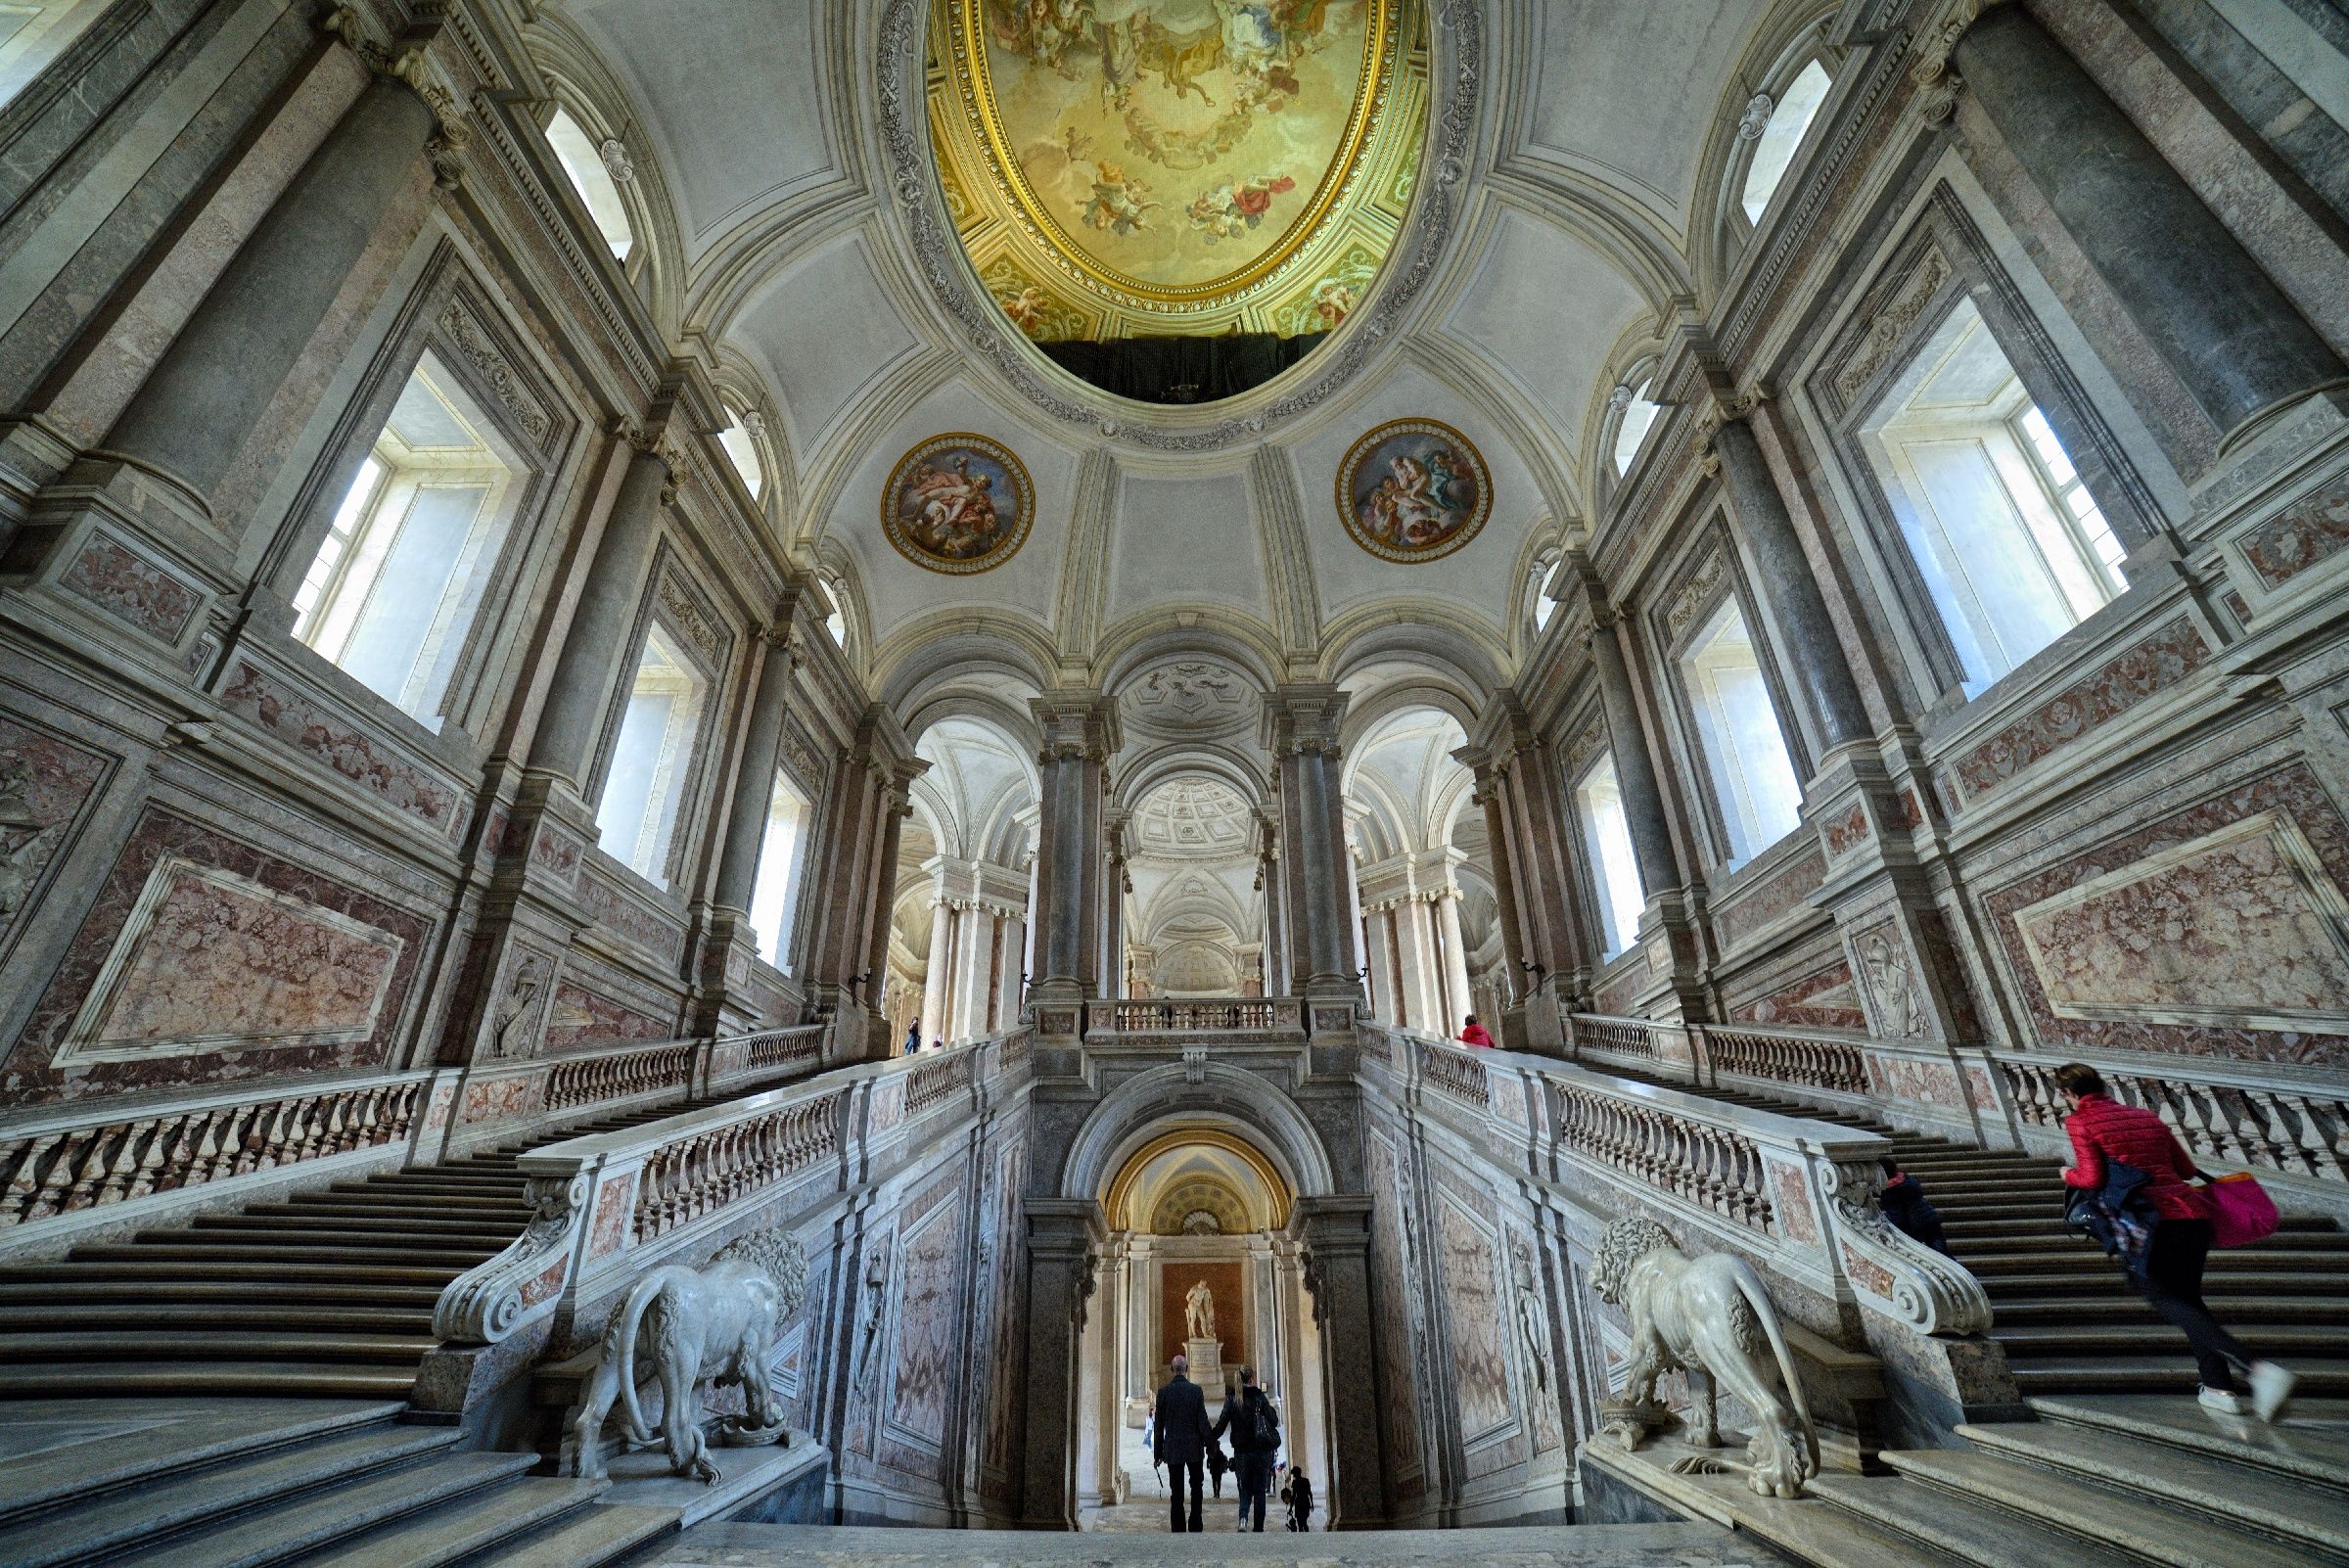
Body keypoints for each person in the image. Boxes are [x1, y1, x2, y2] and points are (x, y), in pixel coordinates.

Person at [2056, 1062, 2294, 1420]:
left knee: (2158, 1293)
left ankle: (2257, 1369)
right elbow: (2185, 1170)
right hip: (2192, 1217)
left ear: (2068, 1093)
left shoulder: (2081, 1121)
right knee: (2189, 1301)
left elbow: (2091, 1178)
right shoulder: (2145, 1116)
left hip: (2150, 1222)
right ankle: (2218, 1388)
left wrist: (2067, 1174)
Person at [1212, 1363, 1280, 1531]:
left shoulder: (1232, 1399)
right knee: (1260, 1491)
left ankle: (1243, 1519)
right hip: (1261, 1451)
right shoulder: (1258, 1396)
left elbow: (1221, 1425)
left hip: (1242, 1452)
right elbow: (1274, 1420)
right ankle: (1258, 1528)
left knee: (1244, 1488)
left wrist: (1208, 1439)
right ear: (1251, 1378)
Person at [1152, 1353, 1216, 1532]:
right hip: (1194, 1448)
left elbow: (1158, 1427)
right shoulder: (1196, 1391)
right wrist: (1211, 1446)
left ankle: (1178, 1527)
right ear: (1186, 1369)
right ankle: (1195, 1524)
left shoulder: (1163, 1393)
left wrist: (1157, 1454)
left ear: (1172, 1369)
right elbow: (1203, 1422)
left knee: (1176, 1491)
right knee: (1197, 1487)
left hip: (1173, 1449)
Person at [1875, 1154, 1951, 1256]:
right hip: (1930, 1218)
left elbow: (1897, 1217)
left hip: (1915, 1224)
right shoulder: (1906, 1179)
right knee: (1942, 1253)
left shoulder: (1890, 1192)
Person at [1284, 1465, 1313, 1532]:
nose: (1294, 1475)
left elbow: (1294, 1496)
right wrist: (1312, 1504)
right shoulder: (1306, 1481)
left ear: (1296, 1473)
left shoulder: (1295, 1482)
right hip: (1306, 1502)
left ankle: (1302, 1537)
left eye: (1294, 1474)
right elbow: (1310, 1493)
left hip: (1299, 1503)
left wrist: (1290, 1508)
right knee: (1304, 1522)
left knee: (1300, 1524)